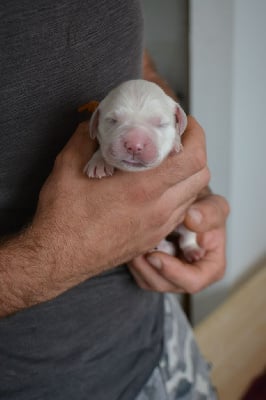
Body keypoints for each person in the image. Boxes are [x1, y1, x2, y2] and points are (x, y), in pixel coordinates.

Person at [0, 1, 229, 399]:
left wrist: (187, 191)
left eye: (161, 124)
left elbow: (129, 57)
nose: (136, 143)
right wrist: (53, 258)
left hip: (157, 345)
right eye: (113, 122)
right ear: (95, 123)